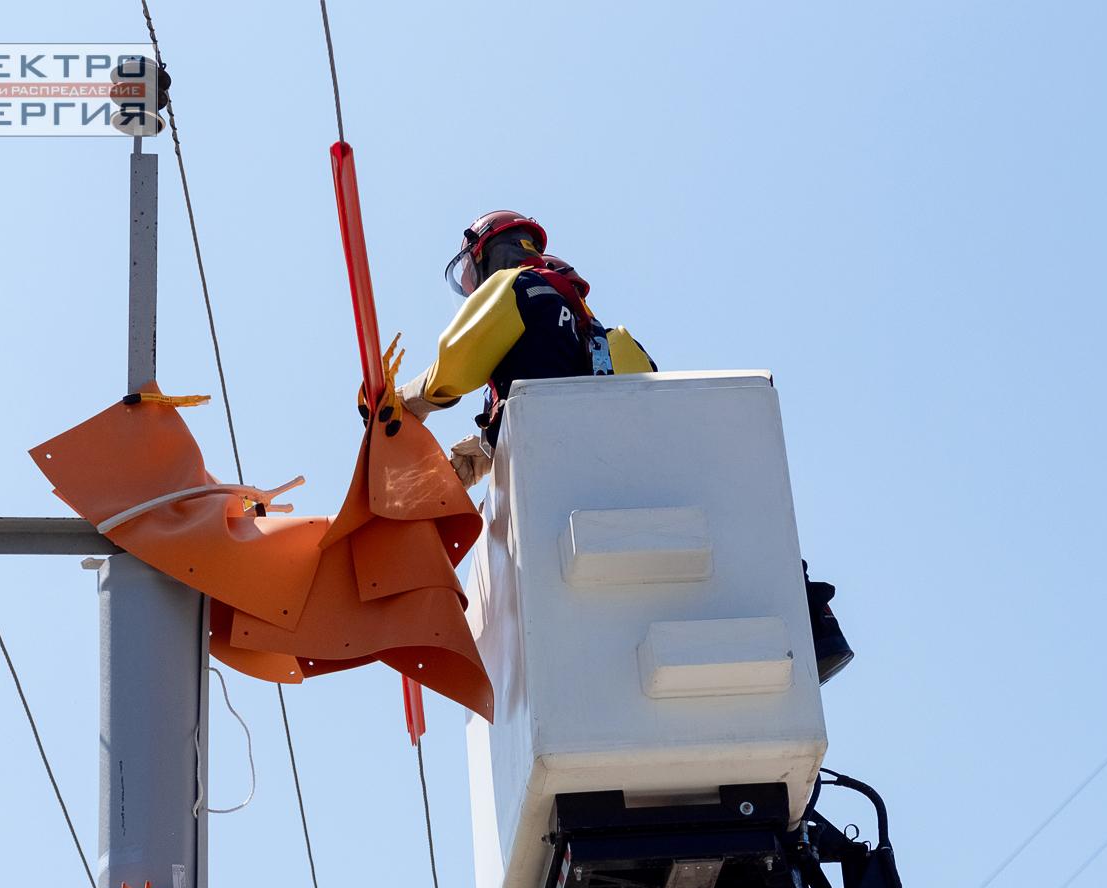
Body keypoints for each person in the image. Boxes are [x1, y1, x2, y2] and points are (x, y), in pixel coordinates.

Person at [363, 210, 852, 683]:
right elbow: (619, 415)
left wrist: (398, 403)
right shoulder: (610, 339)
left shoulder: (512, 287)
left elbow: (454, 366)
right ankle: (812, 621)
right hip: (634, 496)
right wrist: (494, 449)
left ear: (489, 254)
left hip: (563, 511)